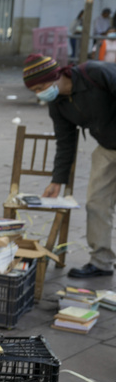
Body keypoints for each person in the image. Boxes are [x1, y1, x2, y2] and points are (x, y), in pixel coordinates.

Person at [22, 54, 116, 279]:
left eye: (41, 86)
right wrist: (57, 180)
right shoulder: (57, 104)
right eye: (34, 90)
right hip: (107, 148)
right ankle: (101, 262)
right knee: (96, 203)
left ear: (57, 75)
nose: (39, 93)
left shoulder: (95, 73)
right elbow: (65, 142)